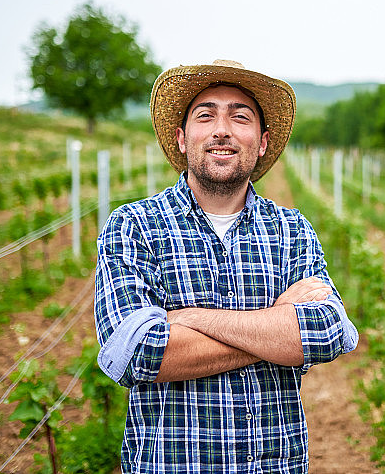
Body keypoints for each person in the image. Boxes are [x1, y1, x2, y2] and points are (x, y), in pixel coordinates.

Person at [94, 59, 359, 473]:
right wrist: (275, 328)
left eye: (240, 116)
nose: (222, 129)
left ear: (263, 141)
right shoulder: (134, 226)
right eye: (206, 115)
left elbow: (328, 332)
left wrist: (187, 320)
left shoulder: (292, 230)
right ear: (182, 139)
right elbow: (136, 353)